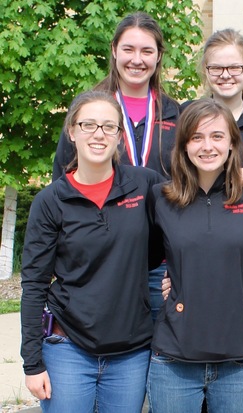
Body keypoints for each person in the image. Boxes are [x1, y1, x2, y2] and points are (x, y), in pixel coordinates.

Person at [21, 90, 164, 412]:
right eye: (88, 125)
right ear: (71, 132)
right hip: (67, 349)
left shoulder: (145, 186)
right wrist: (32, 363)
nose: (98, 134)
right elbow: (33, 284)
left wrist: (236, 177)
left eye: (108, 127)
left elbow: (185, 213)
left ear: (119, 136)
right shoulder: (51, 201)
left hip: (131, 352)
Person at [51, 12, 180, 323]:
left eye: (147, 51)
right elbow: (62, 182)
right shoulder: (88, 109)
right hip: (100, 262)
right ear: (113, 50)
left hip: (158, 266)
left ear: (159, 56)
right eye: (128, 49)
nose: (137, 60)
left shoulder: (176, 112)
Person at [146, 99, 243, 413]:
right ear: (184, 144)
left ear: (232, 143)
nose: (207, 146)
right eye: (197, 137)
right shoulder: (161, 199)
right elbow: (144, 260)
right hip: (174, 358)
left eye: (217, 136)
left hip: (237, 360)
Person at [181, 28, 243, 184]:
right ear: (206, 70)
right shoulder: (187, 112)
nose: (225, 75)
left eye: (234, 67)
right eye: (216, 68)